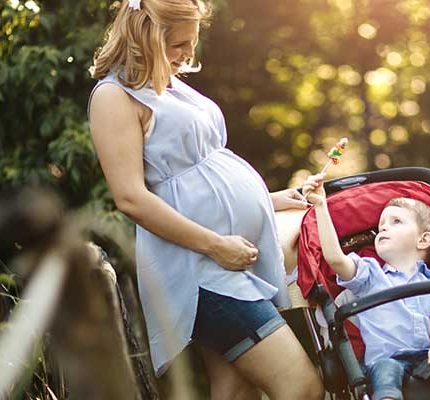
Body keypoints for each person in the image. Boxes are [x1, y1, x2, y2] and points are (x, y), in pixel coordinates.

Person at [87, 1, 324, 399]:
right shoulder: (114, 97)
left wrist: (269, 200)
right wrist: (217, 245)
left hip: (226, 262)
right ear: (148, 36)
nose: (188, 54)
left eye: (191, 43)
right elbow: (131, 198)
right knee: (300, 387)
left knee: (236, 390)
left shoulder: (168, 83)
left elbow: (197, 180)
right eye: (180, 44)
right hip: (202, 269)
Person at [304, 174, 430, 400]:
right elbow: (335, 260)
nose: (383, 229)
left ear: (423, 240)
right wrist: (321, 206)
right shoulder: (369, 274)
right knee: (384, 368)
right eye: (381, 226)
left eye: (396, 222)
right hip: (387, 361)